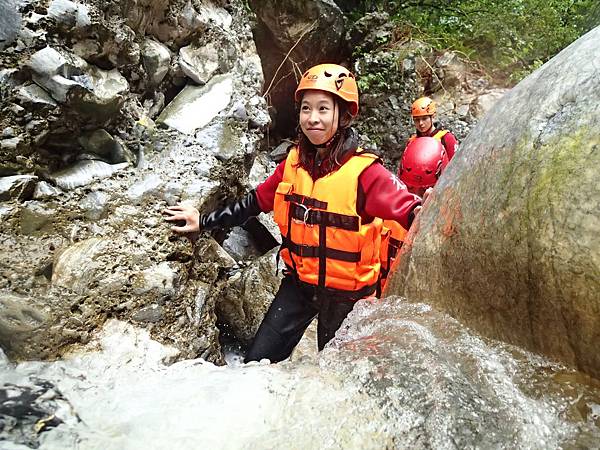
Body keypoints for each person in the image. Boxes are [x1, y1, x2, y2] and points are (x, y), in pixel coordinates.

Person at [164, 63, 421, 363]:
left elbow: (414, 215)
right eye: (306, 109)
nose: (313, 118)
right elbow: (253, 203)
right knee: (255, 365)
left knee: (335, 379)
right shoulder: (292, 164)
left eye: (324, 109)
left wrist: (433, 210)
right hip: (300, 285)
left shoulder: (367, 174)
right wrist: (202, 221)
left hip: (347, 298)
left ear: (344, 115)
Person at [379, 137, 449, 291]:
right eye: (410, 189)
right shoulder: (385, 212)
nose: (416, 198)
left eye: (423, 191)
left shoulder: (449, 224)